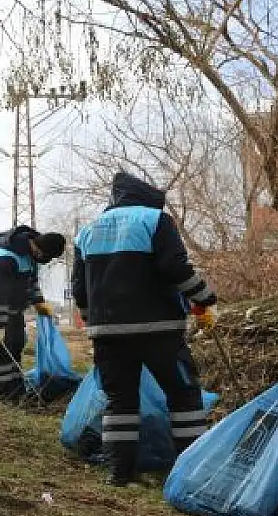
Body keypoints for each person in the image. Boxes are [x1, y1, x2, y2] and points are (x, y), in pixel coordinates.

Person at [71, 171, 218, 487]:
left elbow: (80, 290)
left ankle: (121, 473)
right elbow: (173, 267)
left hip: (107, 335)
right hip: (158, 330)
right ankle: (190, 472)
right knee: (183, 395)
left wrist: (95, 322)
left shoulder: (87, 232)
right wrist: (205, 297)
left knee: (120, 402)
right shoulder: (155, 220)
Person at [0, 225, 66, 403]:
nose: (46, 260)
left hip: (14, 308)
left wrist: (38, 302)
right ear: (39, 249)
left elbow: (31, 282)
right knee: (0, 349)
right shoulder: (5, 258)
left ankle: (17, 390)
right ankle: (6, 395)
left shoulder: (30, 256)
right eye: (48, 257)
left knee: (16, 343)